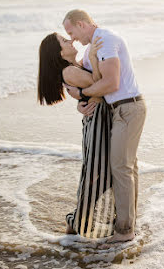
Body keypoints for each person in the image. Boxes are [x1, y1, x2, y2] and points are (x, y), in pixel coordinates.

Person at [62, 9, 146, 245]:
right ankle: (127, 222)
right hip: (117, 111)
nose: (72, 38)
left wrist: (81, 93)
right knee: (126, 167)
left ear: (81, 24)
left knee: (121, 168)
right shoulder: (91, 48)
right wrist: (80, 101)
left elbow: (111, 82)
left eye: (71, 32)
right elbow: (85, 76)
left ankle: (125, 229)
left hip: (128, 108)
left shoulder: (105, 40)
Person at [37, 32, 116, 239]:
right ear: (60, 53)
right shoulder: (70, 71)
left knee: (98, 171)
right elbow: (102, 85)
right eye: (65, 41)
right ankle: (79, 220)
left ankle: (82, 220)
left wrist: (80, 99)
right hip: (98, 119)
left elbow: (92, 88)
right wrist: (96, 56)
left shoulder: (74, 66)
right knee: (98, 172)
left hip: (97, 118)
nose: (71, 41)